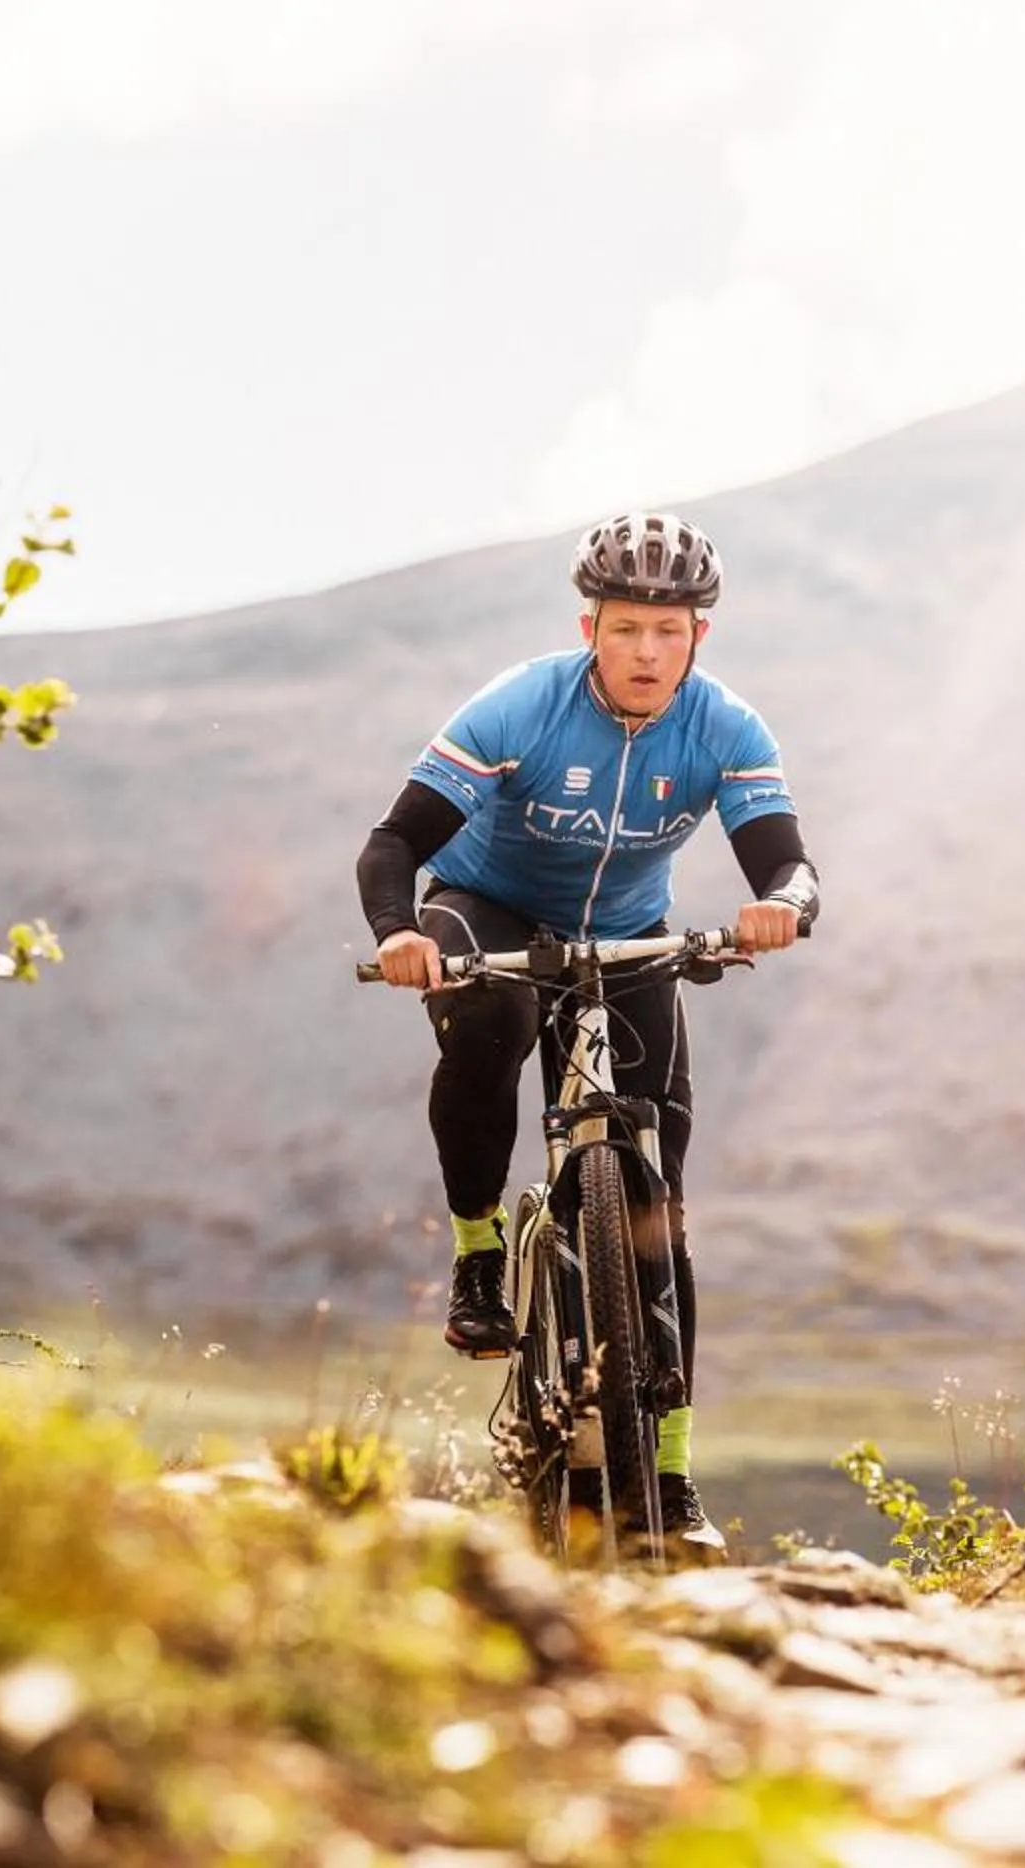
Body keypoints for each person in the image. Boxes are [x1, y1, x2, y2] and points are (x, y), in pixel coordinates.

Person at [355, 511, 820, 1550]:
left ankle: (672, 1476)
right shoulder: (520, 704)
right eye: (625, 630)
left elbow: (788, 862)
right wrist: (396, 932)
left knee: (664, 1206)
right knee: (494, 1016)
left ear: (700, 634)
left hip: (627, 936)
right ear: (589, 629)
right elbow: (394, 842)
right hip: (488, 913)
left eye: (669, 630)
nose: (647, 651)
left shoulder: (728, 728)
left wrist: (781, 904)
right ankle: (480, 1249)